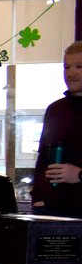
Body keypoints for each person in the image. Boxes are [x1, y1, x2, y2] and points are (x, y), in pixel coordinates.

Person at [31, 41, 82, 216]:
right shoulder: (55, 110)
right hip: (52, 212)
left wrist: (80, 175)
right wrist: (36, 196)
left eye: (79, 66)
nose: (71, 73)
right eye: (67, 67)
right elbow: (42, 160)